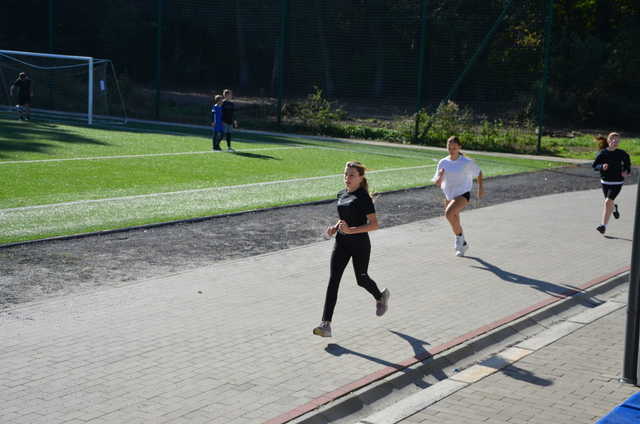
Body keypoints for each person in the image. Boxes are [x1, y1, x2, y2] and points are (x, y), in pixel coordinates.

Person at [313, 161, 390, 338]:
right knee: (333, 280)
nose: (347, 178)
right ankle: (326, 324)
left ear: (360, 177)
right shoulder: (341, 194)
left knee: (361, 279)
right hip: (341, 242)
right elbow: (344, 219)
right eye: (346, 174)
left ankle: (380, 296)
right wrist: (334, 227)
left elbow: (374, 225)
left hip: (360, 244)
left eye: (352, 175)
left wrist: (351, 231)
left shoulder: (363, 197)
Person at [433, 136, 484, 257]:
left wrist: (480, 188)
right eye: (449, 148)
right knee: (454, 220)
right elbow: (437, 183)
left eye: (454, 148)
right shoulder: (443, 162)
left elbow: (479, 173)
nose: (451, 150)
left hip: (463, 194)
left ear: (459, 147)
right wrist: (439, 177)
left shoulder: (466, 162)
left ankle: (459, 239)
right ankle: (462, 243)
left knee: (448, 213)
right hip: (449, 195)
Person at [592, 132, 631, 235]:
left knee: (607, 202)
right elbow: (594, 166)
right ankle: (614, 207)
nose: (615, 142)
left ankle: (603, 226)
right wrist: (601, 167)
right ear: (609, 141)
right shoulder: (603, 153)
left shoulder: (623, 154)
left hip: (617, 182)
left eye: (617, 141)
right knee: (609, 202)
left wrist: (626, 172)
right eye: (613, 140)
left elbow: (628, 166)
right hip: (605, 181)